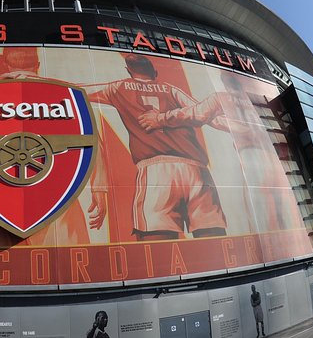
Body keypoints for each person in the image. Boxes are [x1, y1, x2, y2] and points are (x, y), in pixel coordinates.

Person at [0, 47, 108, 247]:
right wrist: (99, 189)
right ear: (38, 65)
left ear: (5, 64)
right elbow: (91, 139)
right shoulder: (65, 94)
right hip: (55, 197)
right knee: (64, 264)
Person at [138, 71, 303, 233]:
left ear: (227, 85)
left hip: (253, 155)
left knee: (260, 206)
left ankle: (275, 245)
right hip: (278, 158)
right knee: (283, 204)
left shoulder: (224, 98)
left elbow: (196, 113)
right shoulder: (258, 102)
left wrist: (161, 118)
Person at [85, 54, 226, 241]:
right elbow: (211, 119)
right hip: (197, 170)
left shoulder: (117, 87)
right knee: (213, 236)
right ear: (156, 72)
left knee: (156, 240)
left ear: (129, 71)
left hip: (157, 170)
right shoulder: (171, 90)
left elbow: (76, 90)